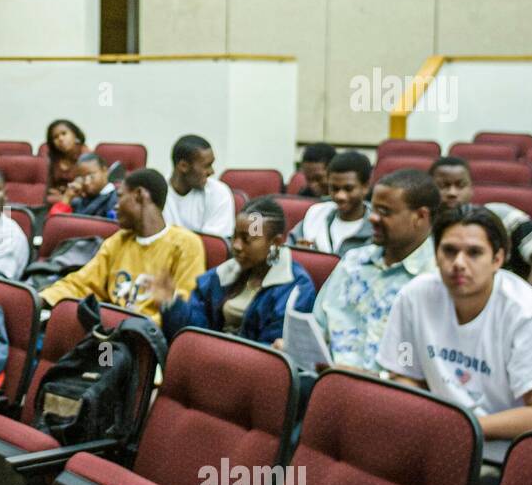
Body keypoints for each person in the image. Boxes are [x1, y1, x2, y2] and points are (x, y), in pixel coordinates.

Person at [377, 205, 532, 439]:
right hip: (455, 434)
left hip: (531, 445)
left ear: (497, 259)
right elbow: (403, 374)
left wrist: (456, 429)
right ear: (435, 253)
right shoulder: (414, 296)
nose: (458, 263)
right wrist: (427, 421)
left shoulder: (529, 315)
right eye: (449, 250)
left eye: (474, 253)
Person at [304, 168, 439, 371]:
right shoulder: (354, 261)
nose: (372, 218)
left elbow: (420, 370)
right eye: (373, 209)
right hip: (324, 381)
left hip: (385, 395)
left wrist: (367, 379)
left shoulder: (436, 279)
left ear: (420, 216)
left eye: (384, 212)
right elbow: (317, 327)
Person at [39, 168, 205, 324]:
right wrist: (42, 299)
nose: (115, 206)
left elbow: (185, 310)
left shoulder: (186, 244)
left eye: (120, 197)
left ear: (139, 195)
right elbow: (80, 283)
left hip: (146, 340)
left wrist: (131, 326)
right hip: (108, 337)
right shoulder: (118, 241)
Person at [160, 196, 316, 345]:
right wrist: (172, 302)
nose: (236, 246)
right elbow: (194, 329)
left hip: (250, 366)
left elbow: (273, 350)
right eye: (234, 237)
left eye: (246, 239)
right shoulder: (223, 274)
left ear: (275, 242)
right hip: (210, 357)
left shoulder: (296, 287)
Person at [428, 156, 532, 285]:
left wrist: (529, 295)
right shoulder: (420, 226)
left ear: (471, 189)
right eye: (443, 186)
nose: (452, 192)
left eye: (460, 185)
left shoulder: (498, 214)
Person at [288, 150, 374, 255]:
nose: (340, 196)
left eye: (348, 189)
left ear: (365, 187)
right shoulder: (316, 214)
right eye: (334, 188)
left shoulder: (377, 226)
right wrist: (299, 251)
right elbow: (288, 250)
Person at [162, 134, 235, 237]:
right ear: (183, 166)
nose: (212, 172)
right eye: (206, 166)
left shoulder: (219, 193)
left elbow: (213, 245)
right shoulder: (154, 193)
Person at [44, 119, 88, 204]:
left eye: (64, 133)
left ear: (75, 134)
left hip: (79, 201)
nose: (60, 139)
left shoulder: (86, 156)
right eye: (55, 137)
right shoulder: (53, 157)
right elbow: (47, 185)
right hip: (56, 199)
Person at [64, 152, 118, 219]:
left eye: (91, 175)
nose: (86, 182)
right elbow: (56, 225)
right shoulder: (77, 200)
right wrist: (67, 197)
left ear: (105, 171)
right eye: (82, 177)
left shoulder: (116, 200)